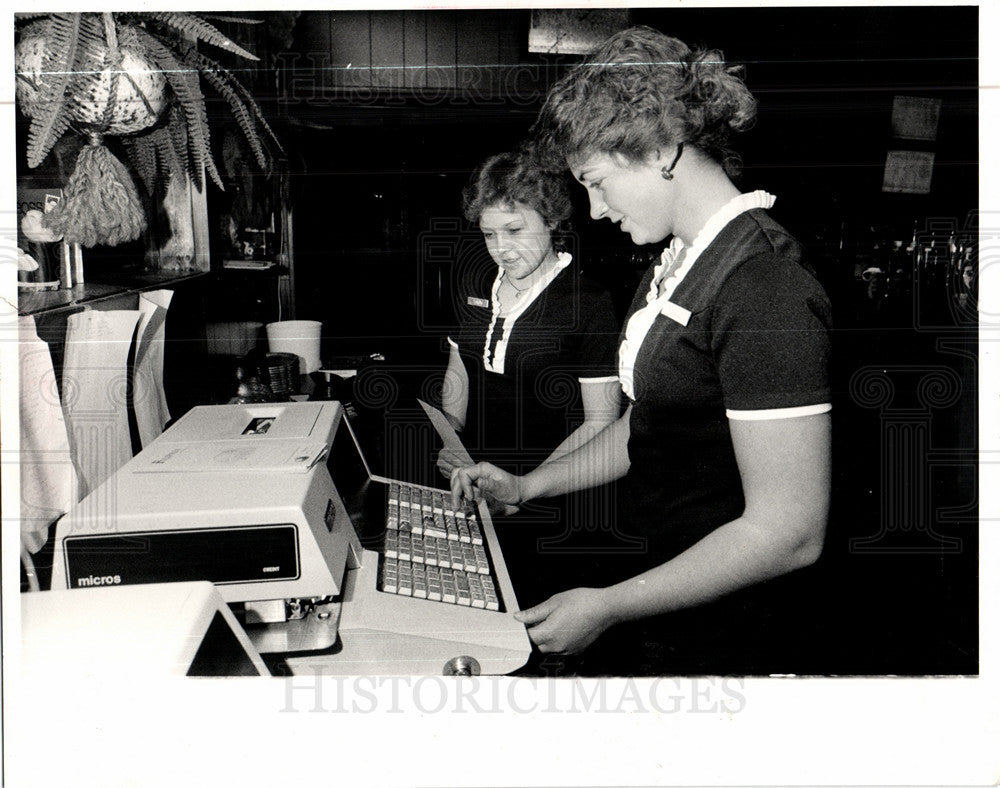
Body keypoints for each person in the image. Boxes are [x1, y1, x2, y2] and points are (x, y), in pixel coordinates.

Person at [451, 27, 833, 676]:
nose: (595, 211)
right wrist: (528, 484)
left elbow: (789, 533)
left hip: (732, 628)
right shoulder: (678, 264)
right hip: (665, 596)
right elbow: (643, 427)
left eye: (596, 182)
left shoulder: (762, 283)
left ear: (659, 148)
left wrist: (609, 606)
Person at [441, 149, 622, 609]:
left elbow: (602, 420)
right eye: (488, 234)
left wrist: (522, 491)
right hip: (479, 489)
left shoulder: (588, 301)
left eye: (515, 230)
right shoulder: (476, 281)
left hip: (556, 501)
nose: (501, 248)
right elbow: (460, 366)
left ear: (552, 219)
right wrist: (450, 435)